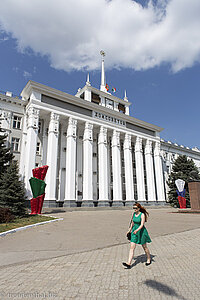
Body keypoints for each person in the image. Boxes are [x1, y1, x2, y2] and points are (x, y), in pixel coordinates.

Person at [122, 202, 152, 269]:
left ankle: (148, 259)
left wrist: (137, 230)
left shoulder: (142, 215)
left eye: (135, 208)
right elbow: (132, 223)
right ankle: (129, 263)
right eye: (133, 208)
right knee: (132, 247)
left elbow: (142, 225)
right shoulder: (134, 214)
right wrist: (129, 230)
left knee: (144, 247)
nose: (134, 209)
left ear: (139, 208)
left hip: (141, 232)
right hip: (134, 232)